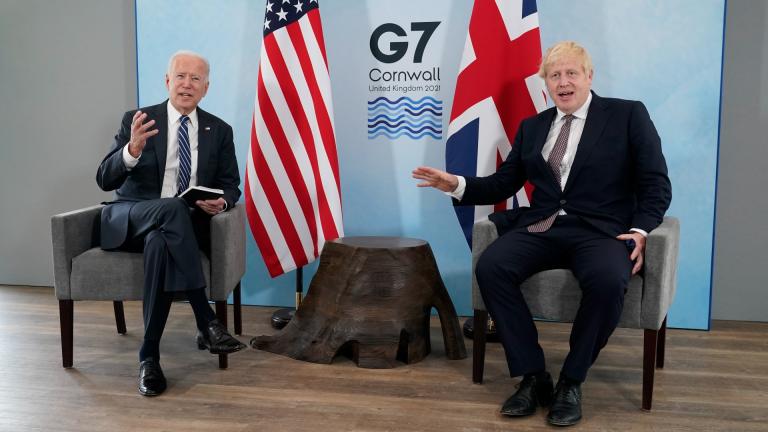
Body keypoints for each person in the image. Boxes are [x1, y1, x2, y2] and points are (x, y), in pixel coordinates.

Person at [413, 41, 671, 426]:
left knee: (607, 280)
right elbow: (503, 183)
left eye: (571, 73)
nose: (563, 82)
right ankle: (533, 377)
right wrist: (456, 184)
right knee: (492, 267)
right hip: (544, 226)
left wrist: (639, 230)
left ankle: (571, 380)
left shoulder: (627, 115)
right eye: (555, 75)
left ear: (588, 77)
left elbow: (656, 184)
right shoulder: (533, 127)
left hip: (601, 232)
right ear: (546, 83)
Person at [97, 50, 246, 397]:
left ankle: (149, 357)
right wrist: (131, 150)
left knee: (161, 241)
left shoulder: (219, 130)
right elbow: (104, 179)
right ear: (167, 81)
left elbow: (231, 183)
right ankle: (206, 320)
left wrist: (221, 200)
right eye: (180, 76)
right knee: (170, 209)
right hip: (130, 217)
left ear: (206, 88)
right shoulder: (138, 120)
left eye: (196, 79)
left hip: (176, 232)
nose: (187, 84)